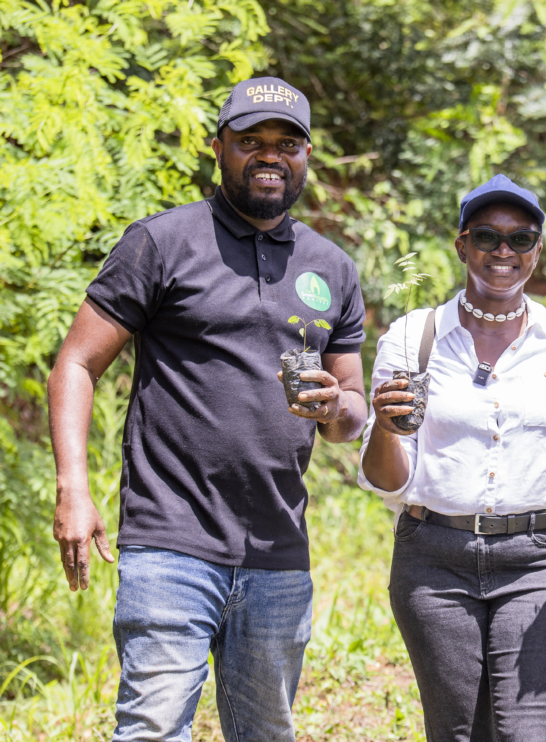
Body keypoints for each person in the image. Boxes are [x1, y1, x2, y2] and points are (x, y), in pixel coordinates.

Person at [47, 77, 368, 741]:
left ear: (307, 156)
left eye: (287, 143)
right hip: (170, 541)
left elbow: (351, 414)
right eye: (252, 141)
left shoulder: (331, 267)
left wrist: (336, 405)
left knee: (266, 733)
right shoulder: (163, 242)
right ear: (219, 148)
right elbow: (76, 364)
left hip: (278, 549)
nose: (270, 155)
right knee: (153, 728)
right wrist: (73, 488)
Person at [358, 174, 546, 741]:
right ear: (462, 246)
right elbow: (389, 481)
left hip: (536, 560)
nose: (503, 250)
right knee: (460, 732)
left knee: (532, 732)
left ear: (537, 250)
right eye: (486, 236)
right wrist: (383, 425)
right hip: (433, 560)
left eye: (520, 239)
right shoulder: (414, 337)